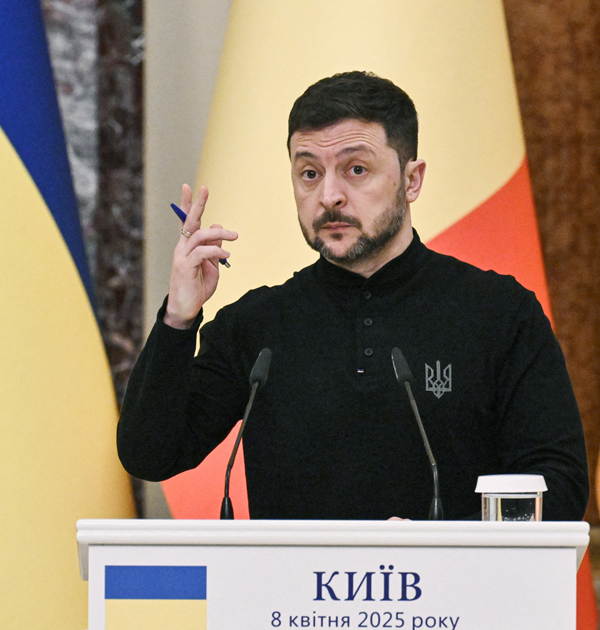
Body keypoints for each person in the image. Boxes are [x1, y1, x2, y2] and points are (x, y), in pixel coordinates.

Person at [117, 71, 589, 521]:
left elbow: (559, 487)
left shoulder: (500, 313)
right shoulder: (256, 327)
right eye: (309, 173)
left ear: (412, 179)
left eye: (356, 169)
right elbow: (149, 455)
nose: (329, 196)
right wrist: (178, 318)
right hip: (294, 584)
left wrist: (437, 546)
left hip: (455, 583)